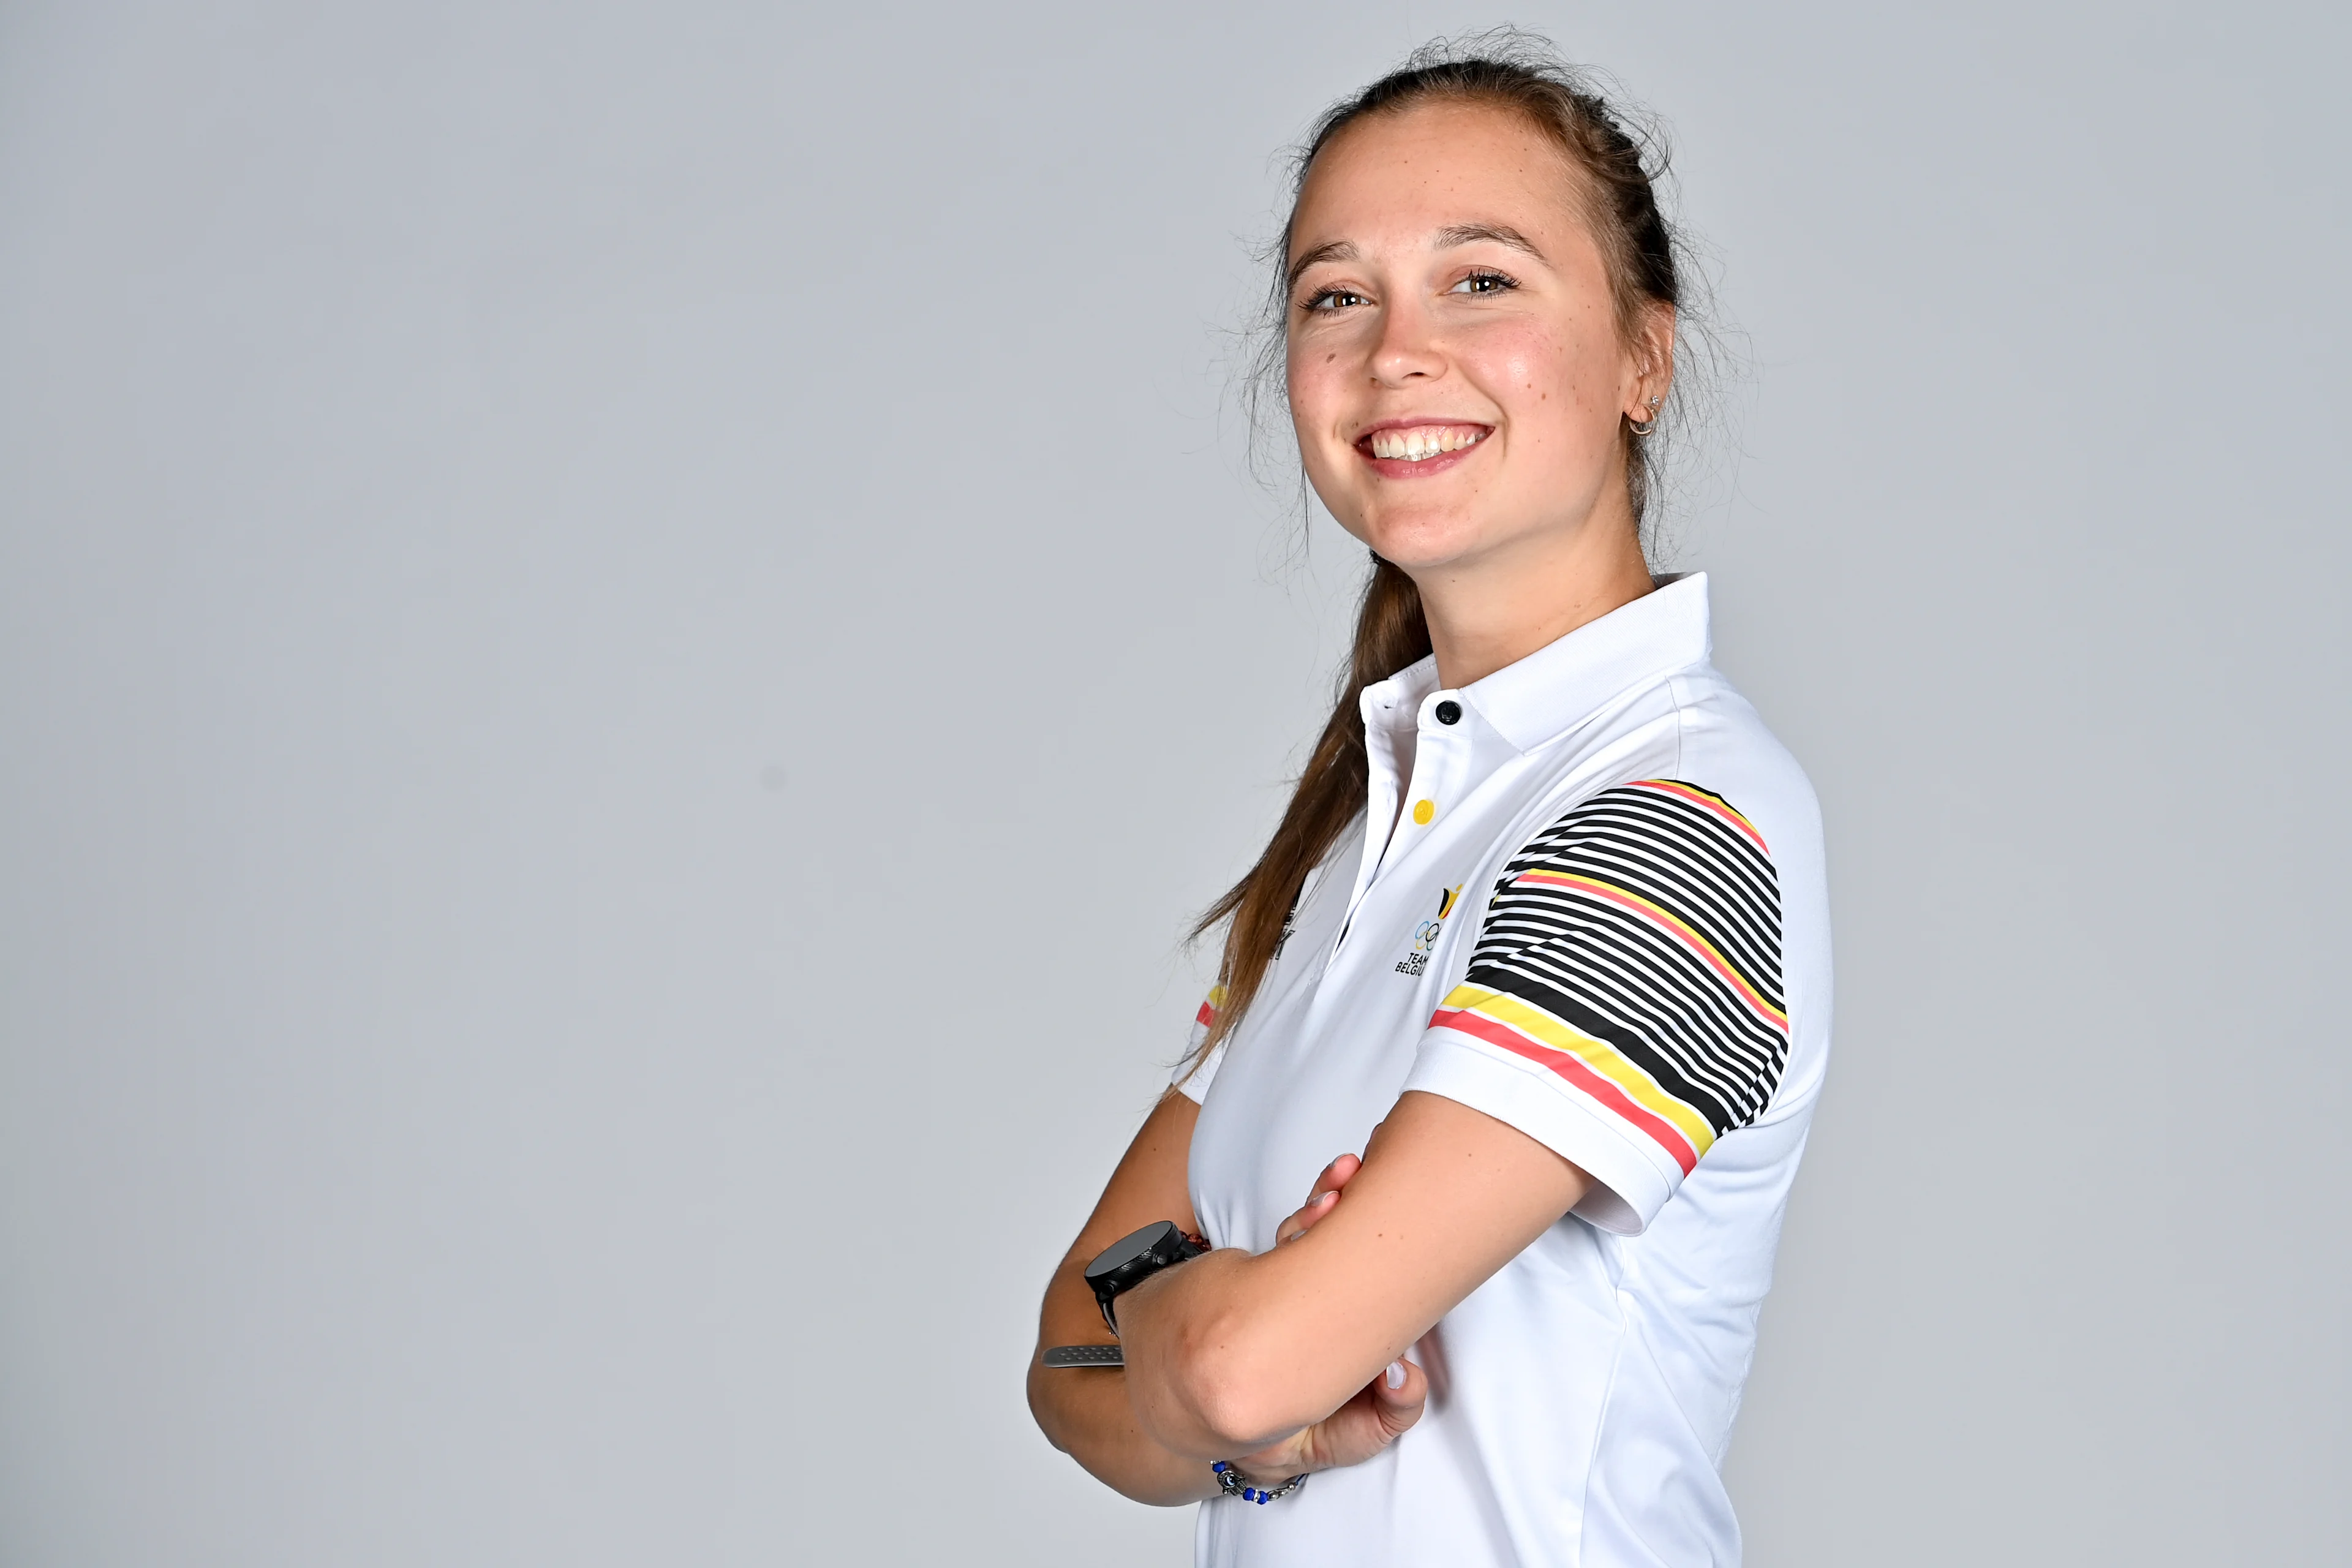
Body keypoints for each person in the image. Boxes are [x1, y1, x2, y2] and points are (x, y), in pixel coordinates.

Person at [1027, 34, 1830, 1567]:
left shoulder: (1673, 814)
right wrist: (1239, 1388)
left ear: (1642, 357)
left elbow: (1215, 1364)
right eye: (1339, 295)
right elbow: (1069, 1364)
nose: (1397, 350)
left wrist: (1208, 1348)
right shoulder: (1356, 840)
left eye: (1483, 280)